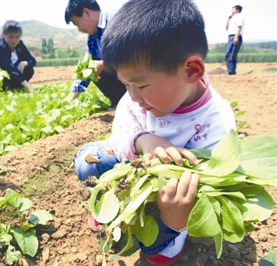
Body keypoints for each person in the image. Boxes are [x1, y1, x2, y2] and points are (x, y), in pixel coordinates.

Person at [73, 0, 237, 265]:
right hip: (133, 174)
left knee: (157, 252)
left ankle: (171, 231)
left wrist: (176, 219)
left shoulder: (217, 125)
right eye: (126, 85)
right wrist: (142, 140)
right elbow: (118, 139)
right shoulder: (135, 100)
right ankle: (107, 204)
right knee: (89, 160)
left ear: (191, 70)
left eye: (142, 85)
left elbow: (211, 190)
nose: (133, 97)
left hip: (171, 201)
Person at [64, 0, 126, 107]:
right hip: (123, 79)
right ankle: (120, 101)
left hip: (140, 71)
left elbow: (132, 50)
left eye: (77, 23)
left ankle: (134, 98)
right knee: (91, 69)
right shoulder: (93, 37)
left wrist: (104, 64)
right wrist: (70, 97)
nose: (79, 29)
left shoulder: (117, 19)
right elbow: (86, 67)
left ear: (86, 12)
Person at [0, 20, 36, 92]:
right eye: (10, 37)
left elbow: (32, 60)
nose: (14, 40)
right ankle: (1, 92)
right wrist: (28, 86)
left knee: (29, 70)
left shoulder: (19, 43)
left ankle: (15, 89)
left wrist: (23, 63)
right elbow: (9, 67)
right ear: (3, 34)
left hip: (10, 72)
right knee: (3, 78)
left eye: (17, 36)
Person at [225, 5, 244, 75]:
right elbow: (226, 28)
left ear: (237, 10)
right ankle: (231, 70)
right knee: (230, 54)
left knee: (230, 54)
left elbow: (239, 27)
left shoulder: (239, 16)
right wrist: (228, 20)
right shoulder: (232, 18)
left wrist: (236, 37)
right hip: (231, 36)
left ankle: (231, 71)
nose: (232, 10)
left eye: (233, 9)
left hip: (235, 36)